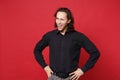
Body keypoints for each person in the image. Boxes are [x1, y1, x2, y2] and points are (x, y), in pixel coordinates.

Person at [34, 7, 100, 80]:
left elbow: (95, 53)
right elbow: (37, 50)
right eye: (57, 18)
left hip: (71, 78)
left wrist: (82, 70)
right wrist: (45, 67)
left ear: (68, 21)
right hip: (53, 77)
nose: (58, 22)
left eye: (62, 19)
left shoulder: (78, 37)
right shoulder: (50, 36)